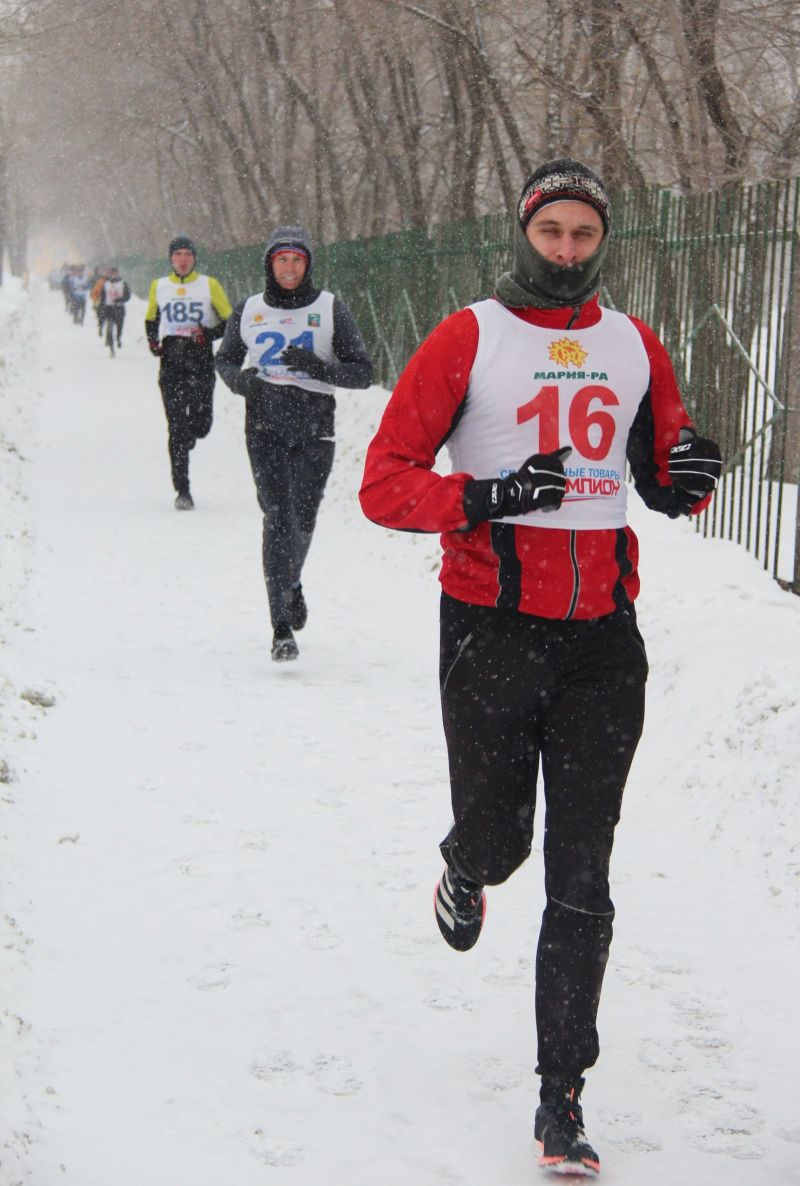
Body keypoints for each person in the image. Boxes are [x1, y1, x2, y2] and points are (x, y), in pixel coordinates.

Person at [358, 159, 722, 1175]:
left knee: (583, 871)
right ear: (522, 231)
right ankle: (466, 865)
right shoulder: (467, 336)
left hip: (604, 642)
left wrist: (691, 475)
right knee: (501, 839)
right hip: (490, 630)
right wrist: (485, 496)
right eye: (551, 230)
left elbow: (661, 471)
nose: (566, 249)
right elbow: (384, 484)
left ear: (602, 240)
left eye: (583, 233)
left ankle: (560, 1096)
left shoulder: (633, 342)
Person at [215, 226, 373, 661]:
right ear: (270, 264)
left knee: (302, 518)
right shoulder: (249, 309)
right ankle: (280, 626)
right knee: (277, 518)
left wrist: (318, 367)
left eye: (297, 260)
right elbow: (225, 359)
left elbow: (363, 372)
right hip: (263, 425)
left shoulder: (330, 308)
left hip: (314, 427)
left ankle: (292, 581)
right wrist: (240, 383)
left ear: (307, 265)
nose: (289, 268)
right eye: (282, 260)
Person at [144, 236, 233, 510]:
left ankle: (191, 435)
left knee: (202, 425)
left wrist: (208, 334)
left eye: (187, 254)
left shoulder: (209, 285)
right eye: (178, 254)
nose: (182, 259)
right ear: (171, 259)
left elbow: (229, 321)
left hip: (200, 360)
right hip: (172, 361)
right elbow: (151, 318)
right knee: (176, 428)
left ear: (194, 258)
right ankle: (182, 490)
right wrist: (153, 342)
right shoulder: (159, 286)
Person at [99, 266, 131, 349]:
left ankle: (118, 337)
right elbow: (102, 297)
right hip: (109, 308)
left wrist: (120, 299)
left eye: (115, 274)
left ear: (117, 274)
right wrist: (101, 307)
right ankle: (109, 340)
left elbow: (128, 296)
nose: (113, 275)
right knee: (109, 325)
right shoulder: (106, 284)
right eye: (112, 274)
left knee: (120, 325)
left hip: (119, 307)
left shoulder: (123, 283)